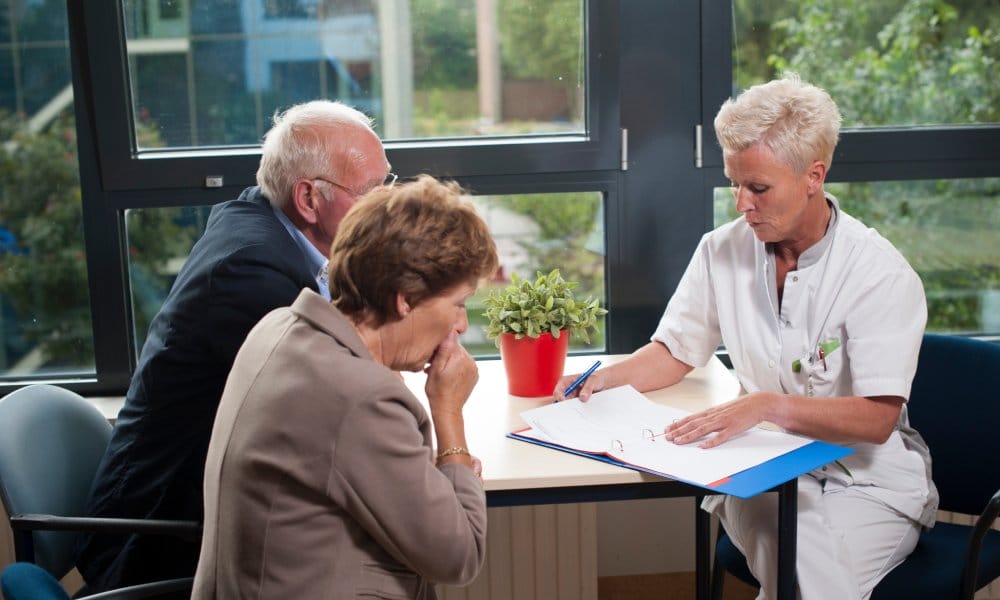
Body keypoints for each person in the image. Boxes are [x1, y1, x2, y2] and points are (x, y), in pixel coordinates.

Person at [556, 75, 937, 600]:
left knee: (805, 576)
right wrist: (599, 380)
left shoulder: (879, 274)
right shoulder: (722, 250)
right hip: (762, 469)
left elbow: (877, 420)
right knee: (803, 565)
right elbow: (674, 352)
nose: (740, 203)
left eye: (758, 187)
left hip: (866, 482)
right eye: (734, 182)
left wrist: (765, 406)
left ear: (814, 176)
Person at [75, 100, 393, 591]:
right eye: (372, 191)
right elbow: (344, 392)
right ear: (308, 199)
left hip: (208, 514)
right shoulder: (250, 273)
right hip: (159, 543)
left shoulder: (267, 218)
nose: (388, 206)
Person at [191, 175, 497, 599]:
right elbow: (459, 556)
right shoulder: (361, 398)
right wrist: (449, 416)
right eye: (458, 303)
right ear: (405, 298)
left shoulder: (278, 327)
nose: (461, 324)